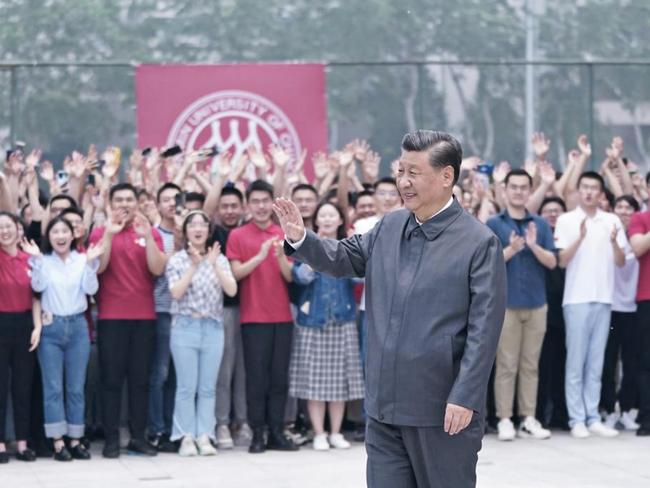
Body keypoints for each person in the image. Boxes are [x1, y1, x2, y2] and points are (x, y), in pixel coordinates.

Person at [274, 130, 506, 488]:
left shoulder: (478, 242)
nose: (404, 182)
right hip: (384, 407)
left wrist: (465, 397)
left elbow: (484, 330)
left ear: (447, 176)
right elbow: (344, 257)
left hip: (442, 410)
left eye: (414, 172)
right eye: (400, 171)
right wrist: (301, 239)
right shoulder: (391, 225)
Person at [88, 183, 167, 458]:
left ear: (137, 203)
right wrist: (109, 235)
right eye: (119, 199)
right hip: (111, 317)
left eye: (129, 199)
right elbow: (99, 268)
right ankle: (111, 440)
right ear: (110, 204)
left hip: (144, 317)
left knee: (140, 380)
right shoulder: (99, 233)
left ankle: (138, 437)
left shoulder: (150, 232)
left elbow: (157, 269)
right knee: (110, 381)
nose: (124, 204)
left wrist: (148, 236)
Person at [23, 216, 103, 461]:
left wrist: (90, 264)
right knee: (53, 387)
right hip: (51, 327)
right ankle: (58, 441)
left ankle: (76, 439)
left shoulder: (83, 260)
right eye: (55, 231)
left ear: (72, 235)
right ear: (50, 237)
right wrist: (36, 261)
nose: (60, 236)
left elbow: (91, 290)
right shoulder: (42, 261)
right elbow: (37, 287)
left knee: (76, 387)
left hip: (78, 326)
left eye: (64, 231)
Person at [226, 180, 298, 454]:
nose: (260, 207)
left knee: (279, 378)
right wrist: (259, 256)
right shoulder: (238, 235)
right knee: (255, 379)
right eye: (254, 201)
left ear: (273, 203)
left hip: (281, 318)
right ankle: (257, 433)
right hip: (253, 319)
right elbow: (235, 274)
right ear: (248, 205)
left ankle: (277, 432)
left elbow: (290, 276)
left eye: (264, 201)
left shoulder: (284, 233)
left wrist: (280, 255)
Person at [554, 172, 626, 439]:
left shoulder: (612, 220)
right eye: (584, 187)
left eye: (594, 188)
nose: (588, 192)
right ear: (579, 190)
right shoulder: (566, 220)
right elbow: (561, 261)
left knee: (596, 364)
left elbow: (621, 261)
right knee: (576, 362)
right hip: (576, 299)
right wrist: (581, 237)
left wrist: (613, 242)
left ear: (601, 193)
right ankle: (577, 419)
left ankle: (592, 415)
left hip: (604, 298)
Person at [486, 169, 556, 441]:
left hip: (537, 303)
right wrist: (512, 250)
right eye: (513, 187)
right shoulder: (494, 223)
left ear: (530, 190)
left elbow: (553, 262)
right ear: (504, 190)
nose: (518, 191)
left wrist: (533, 245)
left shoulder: (539, 223)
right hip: (506, 304)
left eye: (523, 187)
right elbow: (487, 264)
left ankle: (528, 417)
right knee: (506, 363)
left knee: (530, 364)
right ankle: (504, 418)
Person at [289, 202, 365, 451]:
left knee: (339, 381)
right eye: (323, 215)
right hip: (312, 322)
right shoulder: (305, 244)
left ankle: (335, 432)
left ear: (340, 220)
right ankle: (319, 432)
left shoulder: (349, 246)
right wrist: (314, 252)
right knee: (314, 381)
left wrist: (359, 253)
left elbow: (359, 277)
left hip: (342, 319)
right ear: (317, 221)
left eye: (332, 214)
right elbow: (300, 277)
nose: (328, 218)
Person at [166, 210, 237, 456]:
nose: (197, 229)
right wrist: (193, 267)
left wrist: (214, 264)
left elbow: (231, 289)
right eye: (192, 225)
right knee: (186, 386)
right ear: (185, 231)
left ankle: (205, 434)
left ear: (208, 230)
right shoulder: (176, 260)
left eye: (202, 225)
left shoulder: (219, 258)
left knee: (208, 387)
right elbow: (175, 293)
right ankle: (185, 435)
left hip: (213, 328)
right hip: (185, 326)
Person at [211, 186, 251, 449]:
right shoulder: (212, 233)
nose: (229, 211)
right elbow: (204, 211)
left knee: (244, 370)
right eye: (224, 206)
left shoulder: (248, 231)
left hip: (250, 308)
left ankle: (243, 420)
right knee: (224, 370)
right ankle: (222, 421)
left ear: (242, 207)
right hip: (221, 309)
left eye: (234, 205)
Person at [0, 212, 41, 464]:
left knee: (23, 386)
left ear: (18, 229)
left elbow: (37, 296)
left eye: (8, 226)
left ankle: (23, 442)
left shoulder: (30, 259)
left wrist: (37, 327)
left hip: (26, 324)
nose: (4, 231)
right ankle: (1, 443)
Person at [601, 195, 641, 431]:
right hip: (610, 306)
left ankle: (626, 409)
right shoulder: (608, 231)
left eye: (629, 207)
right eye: (620, 206)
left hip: (633, 307)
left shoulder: (638, 234)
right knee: (607, 362)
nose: (624, 211)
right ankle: (607, 409)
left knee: (631, 361)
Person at [148, 182, 182, 452]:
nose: (172, 203)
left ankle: (175, 428)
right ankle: (157, 429)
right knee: (159, 373)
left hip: (186, 314)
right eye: (166, 199)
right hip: (161, 311)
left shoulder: (193, 231)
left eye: (176, 199)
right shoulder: (153, 234)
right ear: (157, 205)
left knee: (178, 376)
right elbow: (156, 270)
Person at [536, 197, 569, 429]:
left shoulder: (571, 239)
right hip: (542, 310)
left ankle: (560, 414)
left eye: (557, 211)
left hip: (566, 311)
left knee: (561, 366)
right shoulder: (535, 238)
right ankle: (539, 415)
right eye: (547, 211)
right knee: (542, 366)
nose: (553, 214)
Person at [628, 200, 650, 436]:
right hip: (647, 296)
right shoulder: (640, 219)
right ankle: (646, 417)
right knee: (646, 361)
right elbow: (638, 247)